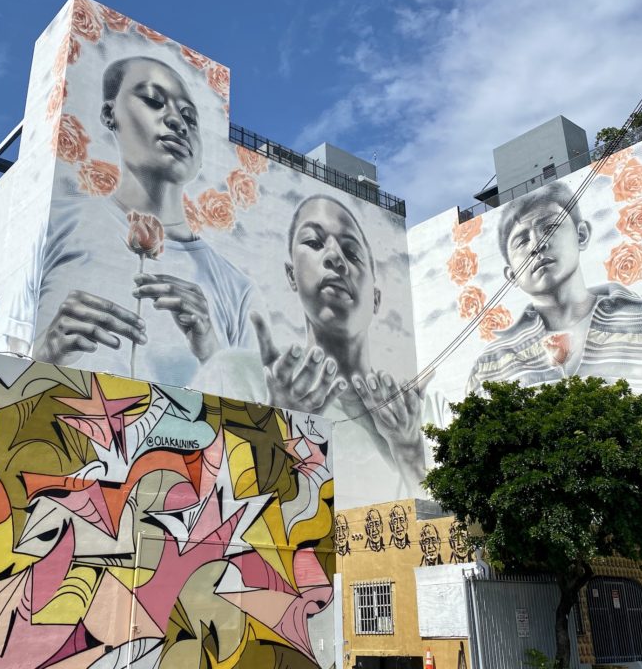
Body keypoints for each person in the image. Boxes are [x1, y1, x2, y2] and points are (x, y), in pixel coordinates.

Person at [29, 57, 260, 384]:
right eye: (153, 101)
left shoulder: (235, 286)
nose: (177, 123)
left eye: (189, 117)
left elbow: (257, 416)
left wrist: (211, 349)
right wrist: (45, 356)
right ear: (110, 114)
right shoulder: (60, 223)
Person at [195, 194, 427, 500]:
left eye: (351, 252)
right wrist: (277, 422)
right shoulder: (235, 374)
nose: (334, 258)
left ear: (376, 298)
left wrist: (409, 451)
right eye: (315, 242)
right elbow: (200, 504)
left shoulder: (404, 418)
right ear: (291, 275)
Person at [466, 182, 642, 400]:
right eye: (522, 240)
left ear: (582, 235)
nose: (537, 245)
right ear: (511, 276)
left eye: (549, 228)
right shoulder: (490, 363)